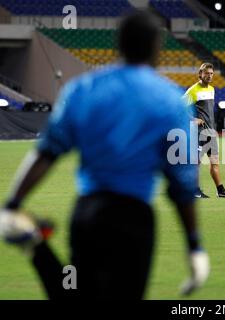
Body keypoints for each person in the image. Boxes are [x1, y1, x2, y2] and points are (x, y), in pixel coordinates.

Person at [0, 10, 209, 299]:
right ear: (156, 47)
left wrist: (12, 204)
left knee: (77, 292)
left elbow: (46, 153)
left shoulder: (83, 89)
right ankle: (37, 248)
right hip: (134, 219)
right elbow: (183, 183)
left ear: (118, 46)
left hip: (88, 213)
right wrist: (194, 244)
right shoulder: (170, 100)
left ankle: (37, 248)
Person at [183, 62, 225, 199]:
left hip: (211, 132)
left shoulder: (211, 89)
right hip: (199, 132)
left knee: (215, 162)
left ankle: (220, 190)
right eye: (206, 73)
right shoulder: (193, 90)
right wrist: (193, 119)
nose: (209, 76)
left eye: (211, 74)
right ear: (200, 74)